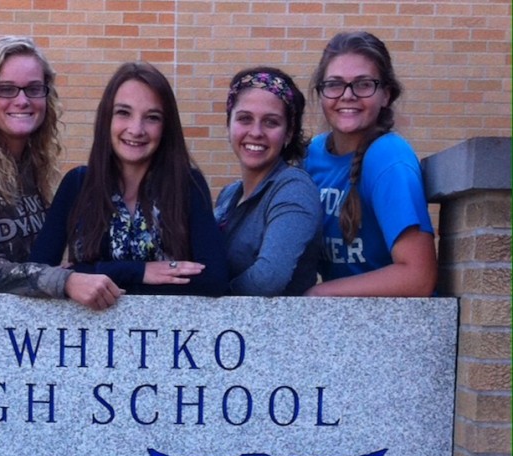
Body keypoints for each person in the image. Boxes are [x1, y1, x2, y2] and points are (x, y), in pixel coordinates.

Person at [0, 36, 122, 310]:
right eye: (7, 89)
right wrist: (61, 281)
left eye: (34, 89)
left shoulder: (31, 163)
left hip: (21, 326)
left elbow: (30, 262)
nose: (22, 100)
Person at [29, 62, 229, 296]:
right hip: (90, 329)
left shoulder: (187, 185)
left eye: (152, 117)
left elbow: (214, 280)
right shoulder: (77, 184)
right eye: (123, 113)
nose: (136, 129)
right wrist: (141, 271)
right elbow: (37, 273)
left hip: (166, 330)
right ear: (107, 118)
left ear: (166, 127)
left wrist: (90, 272)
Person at [303, 31, 437, 297]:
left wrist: (318, 295)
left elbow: (419, 276)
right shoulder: (312, 155)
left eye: (363, 84)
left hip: (398, 324)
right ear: (321, 93)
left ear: (385, 94)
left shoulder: (389, 157)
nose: (347, 95)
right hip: (341, 320)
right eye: (334, 84)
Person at [214, 67, 321, 296]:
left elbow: (268, 279)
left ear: (289, 133)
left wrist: (211, 299)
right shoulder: (228, 195)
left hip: (280, 329)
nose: (256, 132)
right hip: (233, 329)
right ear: (229, 124)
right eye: (244, 119)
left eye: (271, 122)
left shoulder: (293, 189)